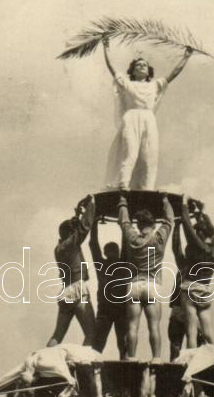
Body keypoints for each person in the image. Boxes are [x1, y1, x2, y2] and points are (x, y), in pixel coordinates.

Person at [103, 38, 192, 190]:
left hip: (148, 119)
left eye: (144, 65)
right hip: (131, 118)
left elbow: (174, 73)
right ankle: (123, 184)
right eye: (138, 65)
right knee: (130, 152)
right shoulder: (127, 84)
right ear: (133, 70)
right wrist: (106, 47)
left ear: (148, 71)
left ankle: (146, 187)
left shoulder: (154, 85)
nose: (142, 66)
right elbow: (112, 68)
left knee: (148, 156)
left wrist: (186, 56)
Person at [118, 192, 174, 358]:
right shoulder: (159, 238)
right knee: (154, 326)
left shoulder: (132, 238)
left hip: (134, 284)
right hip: (152, 285)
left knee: (132, 326)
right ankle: (156, 358)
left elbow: (124, 222)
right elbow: (169, 220)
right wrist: (165, 200)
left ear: (138, 224)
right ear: (154, 224)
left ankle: (131, 358)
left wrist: (123, 201)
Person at [47, 195, 96, 348]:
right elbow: (83, 228)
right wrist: (92, 205)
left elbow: (74, 228)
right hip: (77, 289)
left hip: (65, 291)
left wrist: (77, 214)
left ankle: (43, 359)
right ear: (70, 234)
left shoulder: (59, 248)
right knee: (92, 334)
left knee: (57, 335)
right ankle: (84, 360)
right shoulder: (71, 244)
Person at [172, 197, 214, 348]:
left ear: (199, 233)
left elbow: (188, 227)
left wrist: (184, 205)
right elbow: (211, 231)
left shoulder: (196, 246)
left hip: (190, 289)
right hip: (205, 291)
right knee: (208, 333)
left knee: (191, 331)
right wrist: (202, 212)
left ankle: (191, 360)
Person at [89, 213, 127, 357]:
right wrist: (123, 225)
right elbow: (125, 243)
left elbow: (93, 244)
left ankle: (94, 362)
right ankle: (124, 362)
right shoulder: (123, 262)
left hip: (108, 307)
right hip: (117, 307)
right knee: (122, 343)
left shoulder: (102, 264)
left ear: (105, 253)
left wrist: (94, 224)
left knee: (99, 343)